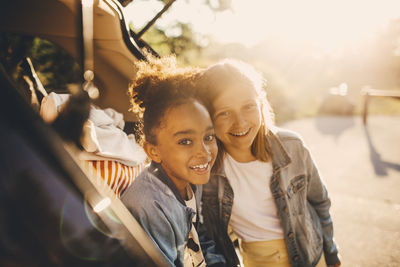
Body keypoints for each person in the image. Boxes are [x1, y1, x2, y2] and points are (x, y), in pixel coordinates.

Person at [196, 59, 341, 267]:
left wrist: (332, 252)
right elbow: (205, 231)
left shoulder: (292, 146)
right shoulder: (205, 168)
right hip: (257, 260)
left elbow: (320, 202)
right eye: (224, 113)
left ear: (261, 105)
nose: (240, 122)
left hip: (310, 254)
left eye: (248, 107)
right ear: (208, 118)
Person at [120, 55, 226, 267]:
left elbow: (199, 236)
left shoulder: (190, 182)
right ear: (153, 151)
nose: (204, 152)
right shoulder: (149, 205)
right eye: (185, 141)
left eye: (208, 137)